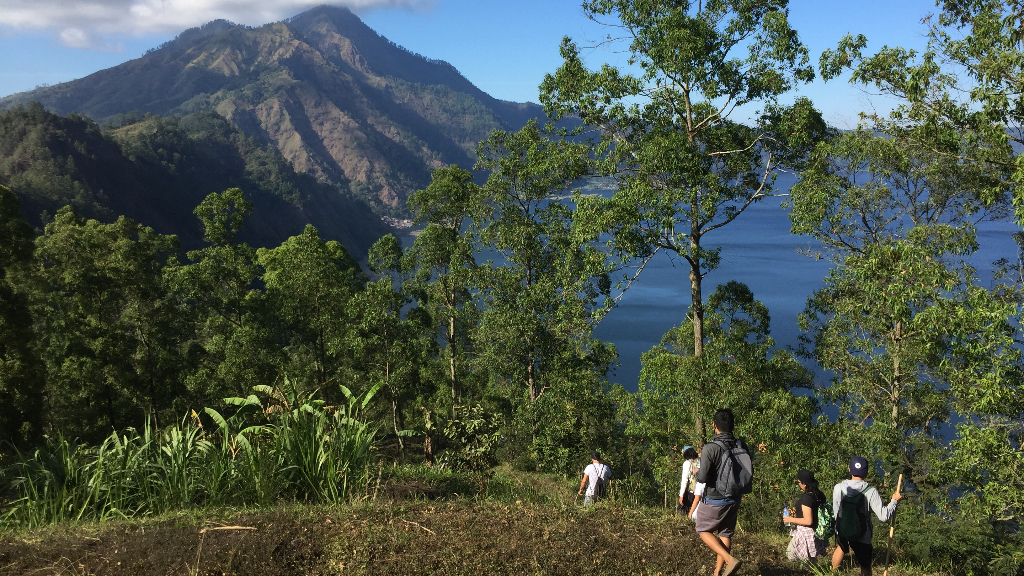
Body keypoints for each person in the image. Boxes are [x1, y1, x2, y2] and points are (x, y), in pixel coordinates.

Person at [694, 408, 748, 576]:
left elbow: (702, 478)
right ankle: (718, 573)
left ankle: (729, 559)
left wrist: (697, 472)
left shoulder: (711, 448)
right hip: (735, 497)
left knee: (702, 529)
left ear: (714, 425)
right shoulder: (741, 444)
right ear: (732, 426)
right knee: (725, 533)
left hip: (715, 499)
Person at [831, 456, 902, 576]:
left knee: (841, 547)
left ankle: (831, 573)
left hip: (842, 529)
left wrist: (839, 528)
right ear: (866, 472)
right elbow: (884, 516)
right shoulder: (870, 491)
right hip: (863, 535)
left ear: (849, 469)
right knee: (865, 565)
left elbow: (836, 512)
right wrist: (894, 501)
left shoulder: (838, 488)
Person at [783, 468, 828, 562]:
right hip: (817, 530)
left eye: (798, 482)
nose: (798, 484)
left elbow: (808, 521)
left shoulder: (806, 499)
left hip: (806, 532)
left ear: (804, 484)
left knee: (792, 554)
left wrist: (790, 519)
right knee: (811, 557)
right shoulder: (819, 495)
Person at [678, 445, 700, 515]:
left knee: (683, 510)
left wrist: (681, 495)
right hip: (699, 490)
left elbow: (685, 480)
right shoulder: (700, 461)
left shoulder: (687, 463)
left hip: (690, 490)